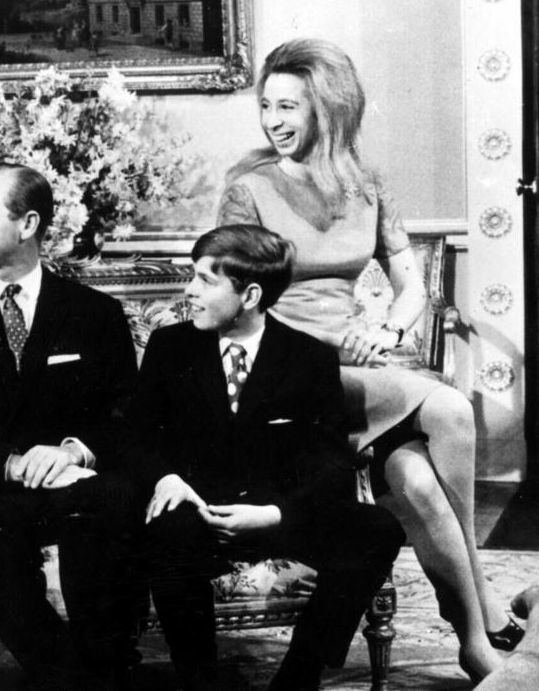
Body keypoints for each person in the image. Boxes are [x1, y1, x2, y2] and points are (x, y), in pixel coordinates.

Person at [216, 37, 519, 682]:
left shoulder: (368, 183)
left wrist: (384, 328)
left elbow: (413, 287)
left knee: (414, 479)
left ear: (328, 109)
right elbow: (240, 305)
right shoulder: (249, 187)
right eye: (266, 105)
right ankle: (482, 595)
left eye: (289, 106)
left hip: (363, 359)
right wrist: (338, 342)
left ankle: (471, 638)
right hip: (292, 367)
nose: (273, 120)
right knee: (448, 406)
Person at [127, 225, 405, 691]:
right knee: (167, 532)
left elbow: (332, 462)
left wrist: (274, 514)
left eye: (204, 280)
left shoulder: (308, 357)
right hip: (195, 511)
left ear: (251, 294)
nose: (188, 291)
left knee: (379, 530)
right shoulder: (170, 348)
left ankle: (299, 675)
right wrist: (167, 478)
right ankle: (199, 680)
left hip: (276, 513)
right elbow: (135, 437)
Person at [0, 163, 142, 691]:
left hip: (70, 481)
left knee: (115, 500)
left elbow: (126, 415)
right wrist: (10, 464)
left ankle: (107, 667)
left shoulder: (96, 313)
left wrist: (72, 451)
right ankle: (70, 679)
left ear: (29, 223)